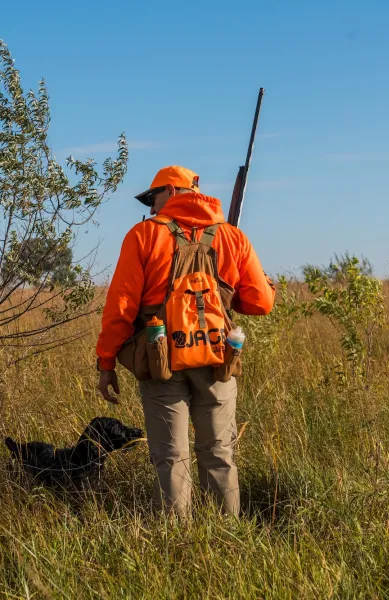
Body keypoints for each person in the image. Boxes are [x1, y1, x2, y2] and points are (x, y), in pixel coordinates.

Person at [96, 165, 275, 518]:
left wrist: (106, 363)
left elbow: (121, 306)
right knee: (219, 452)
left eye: (154, 197)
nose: (150, 207)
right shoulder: (231, 237)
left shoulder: (143, 235)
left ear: (174, 192)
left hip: (160, 359)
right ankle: (226, 538)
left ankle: (177, 546)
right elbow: (261, 303)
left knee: (171, 458)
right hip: (217, 358)